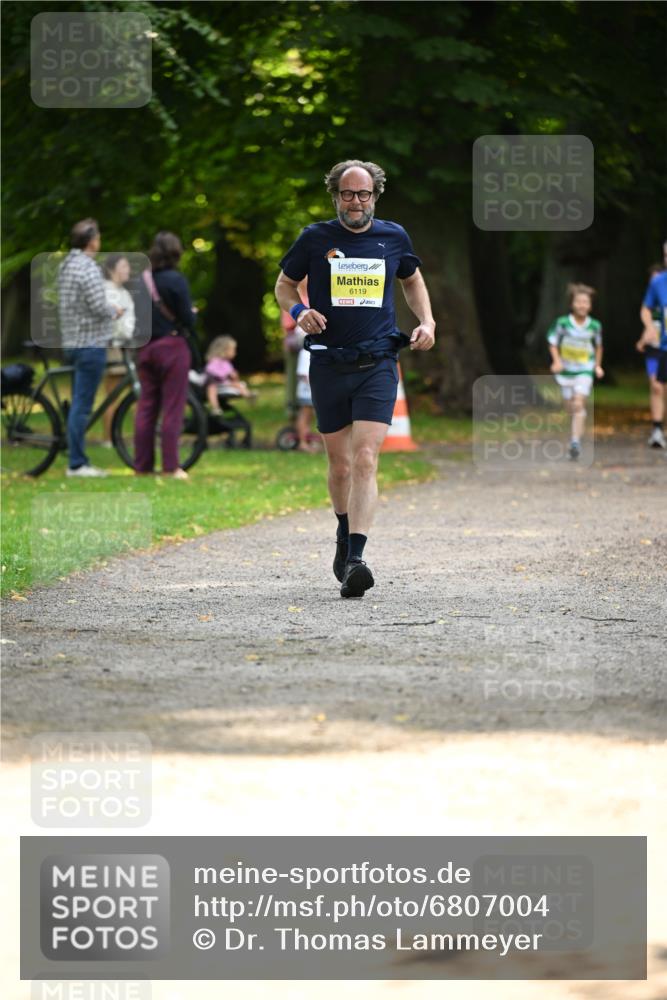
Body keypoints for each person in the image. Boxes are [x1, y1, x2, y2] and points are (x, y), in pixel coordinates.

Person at [275, 159, 435, 598]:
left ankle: (357, 559)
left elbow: (413, 279)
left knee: (365, 458)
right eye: (347, 193)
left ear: (375, 196)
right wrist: (298, 311)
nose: (356, 201)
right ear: (336, 196)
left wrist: (428, 322)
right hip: (328, 363)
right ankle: (343, 533)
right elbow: (284, 285)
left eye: (363, 194)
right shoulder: (315, 238)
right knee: (340, 464)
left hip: (379, 362)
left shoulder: (393, 236)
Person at [58, 218, 124, 477]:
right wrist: (115, 310)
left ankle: (75, 457)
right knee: (82, 406)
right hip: (90, 343)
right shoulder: (87, 267)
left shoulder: (67, 265)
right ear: (92, 240)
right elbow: (97, 305)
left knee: (78, 403)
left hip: (73, 342)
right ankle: (77, 463)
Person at [134, 231, 195, 480]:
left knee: (146, 407)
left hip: (146, 348)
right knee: (172, 407)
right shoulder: (175, 280)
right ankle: (170, 467)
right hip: (171, 347)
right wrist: (193, 313)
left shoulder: (141, 281)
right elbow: (187, 319)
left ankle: (142, 467)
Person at [547, 283, 604, 461]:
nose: (582, 305)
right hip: (565, 371)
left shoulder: (595, 325)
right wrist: (556, 361)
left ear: (590, 305)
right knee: (570, 407)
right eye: (578, 301)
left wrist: (597, 366)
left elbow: (599, 346)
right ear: (572, 304)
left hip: (585, 370)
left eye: (585, 302)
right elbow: (553, 342)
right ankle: (577, 423)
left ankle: (575, 443)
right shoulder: (562, 323)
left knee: (578, 403)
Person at [102, 253, 135, 447]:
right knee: (112, 394)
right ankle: (108, 438)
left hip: (125, 346)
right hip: (113, 346)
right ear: (112, 269)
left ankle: (126, 436)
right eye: (123, 266)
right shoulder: (108, 291)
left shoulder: (123, 292)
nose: (127, 270)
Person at [637, 243, 667, 448]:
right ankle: (657, 429)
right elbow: (646, 309)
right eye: (666, 255)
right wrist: (648, 327)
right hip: (665, 346)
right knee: (657, 386)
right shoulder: (658, 282)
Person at [205, 336, 254, 412]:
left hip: (224, 382)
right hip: (214, 382)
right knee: (212, 389)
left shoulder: (227, 363)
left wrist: (234, 376)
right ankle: (215, 407)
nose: (235, 353)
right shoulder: (214, 361)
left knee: (237, 384)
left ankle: (248, 395)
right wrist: (226, 374)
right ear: (224, 350)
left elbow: (232, 375)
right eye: (233, 350)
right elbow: (210, 371)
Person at [294, 346, 317, 452]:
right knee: (305, 415)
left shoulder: (314, 350)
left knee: (310, 416)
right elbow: (304, 374)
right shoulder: (305, 352)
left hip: (312, 391)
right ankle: (302, 443)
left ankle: (308, 441)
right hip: (306, 391)